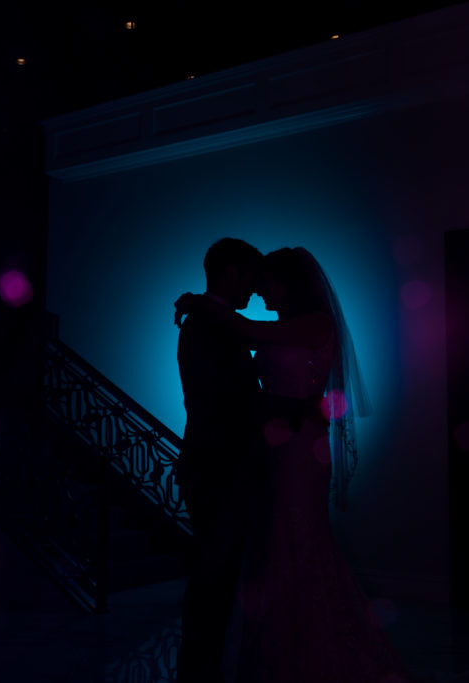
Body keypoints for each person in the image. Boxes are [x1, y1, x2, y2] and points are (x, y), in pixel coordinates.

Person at [175, 247, 413, 683]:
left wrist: (198, 301)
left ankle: (307, 649)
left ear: (288, 283)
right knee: (271, 546)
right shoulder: (272, 327)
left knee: (298, 541)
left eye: (266, 281)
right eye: (254, 279)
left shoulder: (314, 323)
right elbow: (240, 352)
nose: (260, 290)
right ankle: (273, 649)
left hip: (299, 450)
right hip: (272, 448)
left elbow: (245, 331)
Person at [173, 237, 265, 683]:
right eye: (249, 275)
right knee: (214, 572)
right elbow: (217, 401)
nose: (253, 287)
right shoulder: (206, 325)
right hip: (217, 466)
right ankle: (199, 668)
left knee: (217, 572)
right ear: (230, 273)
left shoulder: (209, 320)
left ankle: (205, 664)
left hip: (214, 464)